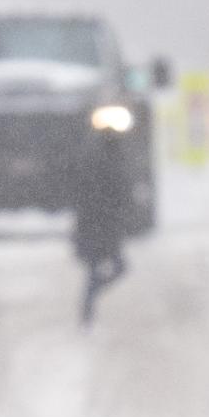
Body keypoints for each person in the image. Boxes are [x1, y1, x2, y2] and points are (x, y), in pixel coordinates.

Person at [71, 131, 135, 326]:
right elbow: (120, 196)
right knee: (114, 268)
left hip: (93, 228)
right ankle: (87, 309)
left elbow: (82, 195)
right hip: (103, 228)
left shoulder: (92, 163)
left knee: (96, 271)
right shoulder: (113, 167)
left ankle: (87, 309)